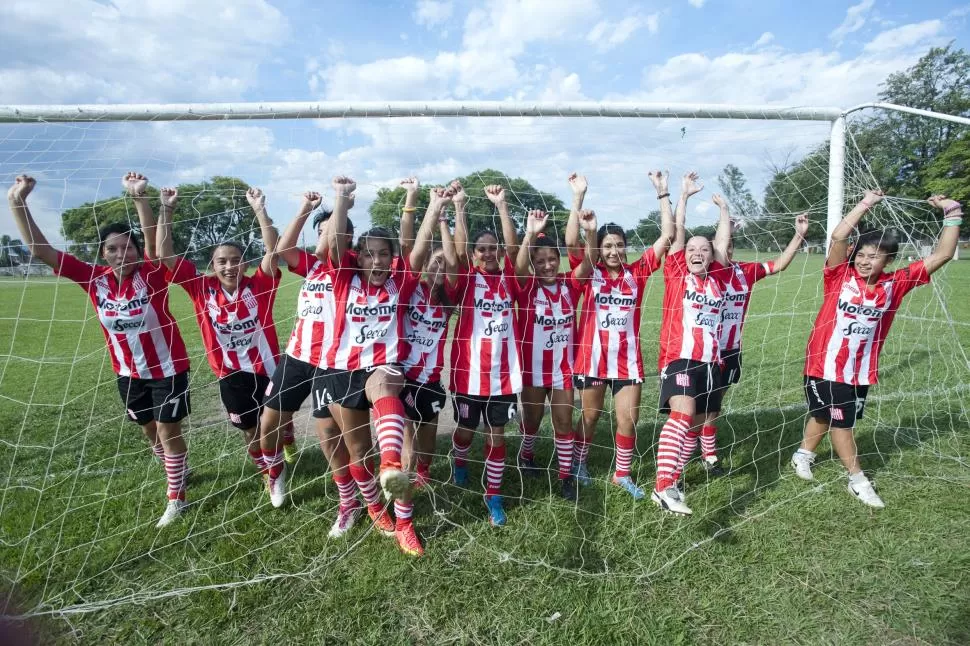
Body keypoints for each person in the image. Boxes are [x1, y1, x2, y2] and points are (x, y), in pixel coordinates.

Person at [7, 173, 191, 527]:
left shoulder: (152, 274)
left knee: (169, 432)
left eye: (128, 247)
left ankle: (176, 498)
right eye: (113, 249)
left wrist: (140, 198)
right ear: (103, 254)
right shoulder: (94, 279)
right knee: (150, 433)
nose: (122, 254)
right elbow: (41, 251)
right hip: (127, 374)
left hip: (168, 370)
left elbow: (155, 243)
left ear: (137, 251)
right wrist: (18, 203)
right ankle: (178, 469)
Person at [791, 192, 961, 508]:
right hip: (824, 366)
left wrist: (952, 211)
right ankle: (858, 481)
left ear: (889, 261)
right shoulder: (839, 276)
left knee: (825, 415)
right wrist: (867, 203)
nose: (866, 261)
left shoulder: (895, 284)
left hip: (861, 370)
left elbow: (943, 254)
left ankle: (802, 454)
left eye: (875, 257)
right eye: (863, 255)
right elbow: (839, 235)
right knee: (843, 423)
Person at [315, 175, 444, 557]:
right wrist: (340, 199)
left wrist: (431, 206)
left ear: (392, 257)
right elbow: (335, 242)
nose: (377, 260)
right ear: (359, 256)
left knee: (387, 392)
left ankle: (404, 517)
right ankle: (372, 506)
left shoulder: (401, 281)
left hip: (383, 366)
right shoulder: (342, 276)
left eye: (383, 253)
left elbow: (417, 249)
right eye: (369, 253)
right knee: (358, 454)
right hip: (341, 370)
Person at [259, 189, 377, 540]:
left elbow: (339, 241)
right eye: (320, 230)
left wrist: (340, 208)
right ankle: (275, 472)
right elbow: (282, 251)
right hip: (297, 358)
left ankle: (349, 502)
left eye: (332, 230)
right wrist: (305, 209)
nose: (325, 235)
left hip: (333, 363)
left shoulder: (353, 268)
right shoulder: (312, 266)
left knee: (331, 436)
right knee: (269, 423)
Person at [155, 185, 281, 484]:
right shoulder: (200, 287)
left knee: (272, 426)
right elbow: (164, 254)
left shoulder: (260, 285)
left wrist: (259, 210)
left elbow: (273, 250)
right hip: (228, 373)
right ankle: (267, 473)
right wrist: (167, 209)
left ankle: (278, 467)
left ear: (245, 264)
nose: (229, 266)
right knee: (250, 430)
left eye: (235, 260)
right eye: (221, 261)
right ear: (212, 266)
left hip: (268, 369)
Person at [570, 171, 674, 499]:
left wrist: (663, 193)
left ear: (626, 247)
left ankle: (622, 474)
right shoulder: (591, 272)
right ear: (599, 250)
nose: (614, 251)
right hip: (592, 359)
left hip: (627, 362)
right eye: (608, 246)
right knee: (589, 418)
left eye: (619, 245)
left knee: (628, 420)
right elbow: (572, 240)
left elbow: (668, 236)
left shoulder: (638, 273)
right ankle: (579, 464)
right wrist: (579, 198)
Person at [697, 204, 810, 475]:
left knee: (714, 403)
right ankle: (694, 444)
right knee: (697, 402)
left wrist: (799, 235)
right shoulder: (705, 274)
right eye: (721, 246)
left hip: (731, 350)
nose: (726, 251)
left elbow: (780, 264)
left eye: (730, 247)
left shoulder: (746, 271)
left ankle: (708, 451)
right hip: (702, 350)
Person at [653, 172, 731, 515]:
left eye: (704, 249)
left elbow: (724, 244)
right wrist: (681, 197)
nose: (697, 252)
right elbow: (674, 233)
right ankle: (663, 486)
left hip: (711, 363)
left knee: (693, 426)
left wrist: (723, 210)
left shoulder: (717, 280)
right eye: (692, 249)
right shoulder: (675, 272)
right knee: (681, 416)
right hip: (679, 357)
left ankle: (675, 478)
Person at [446, 184, 523, 527]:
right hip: (468, 374)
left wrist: (503, 206)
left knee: (497, 433)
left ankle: (493, 495)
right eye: (482, 249)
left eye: (494, 249)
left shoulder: (510, 278)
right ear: (474, 254)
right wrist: (460, 208)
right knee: (465, 429)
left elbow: (515, 248)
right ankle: (459, 460)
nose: (489, 254)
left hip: (503, 376)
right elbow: (459, 251)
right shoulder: (465, 278)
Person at [514, 206, 590, 500]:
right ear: (534, 264)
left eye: (551, 259)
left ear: (559, 260)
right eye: (540, 261)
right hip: (532, 369)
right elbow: (518, 269)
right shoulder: (527, 286)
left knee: (562, 422)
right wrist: (530, 234)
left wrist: (587, 226)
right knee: (531, 420)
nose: (547, 266)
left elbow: (588, 264)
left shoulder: (570, 284)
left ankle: (565, 476)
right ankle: (526, 456)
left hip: (563, 369)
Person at [398, 179, 460, 490]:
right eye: (432, 263)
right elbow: (410, 247)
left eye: (441, 264)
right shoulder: (411, 289)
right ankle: (407, 474)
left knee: (429, 430)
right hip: (404, 374)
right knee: (408, 429)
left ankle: (424, 469)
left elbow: (454, 262)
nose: (437, 268)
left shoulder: (449, 300)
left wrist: (446, 220)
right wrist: (430, 213)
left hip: (432, 379)